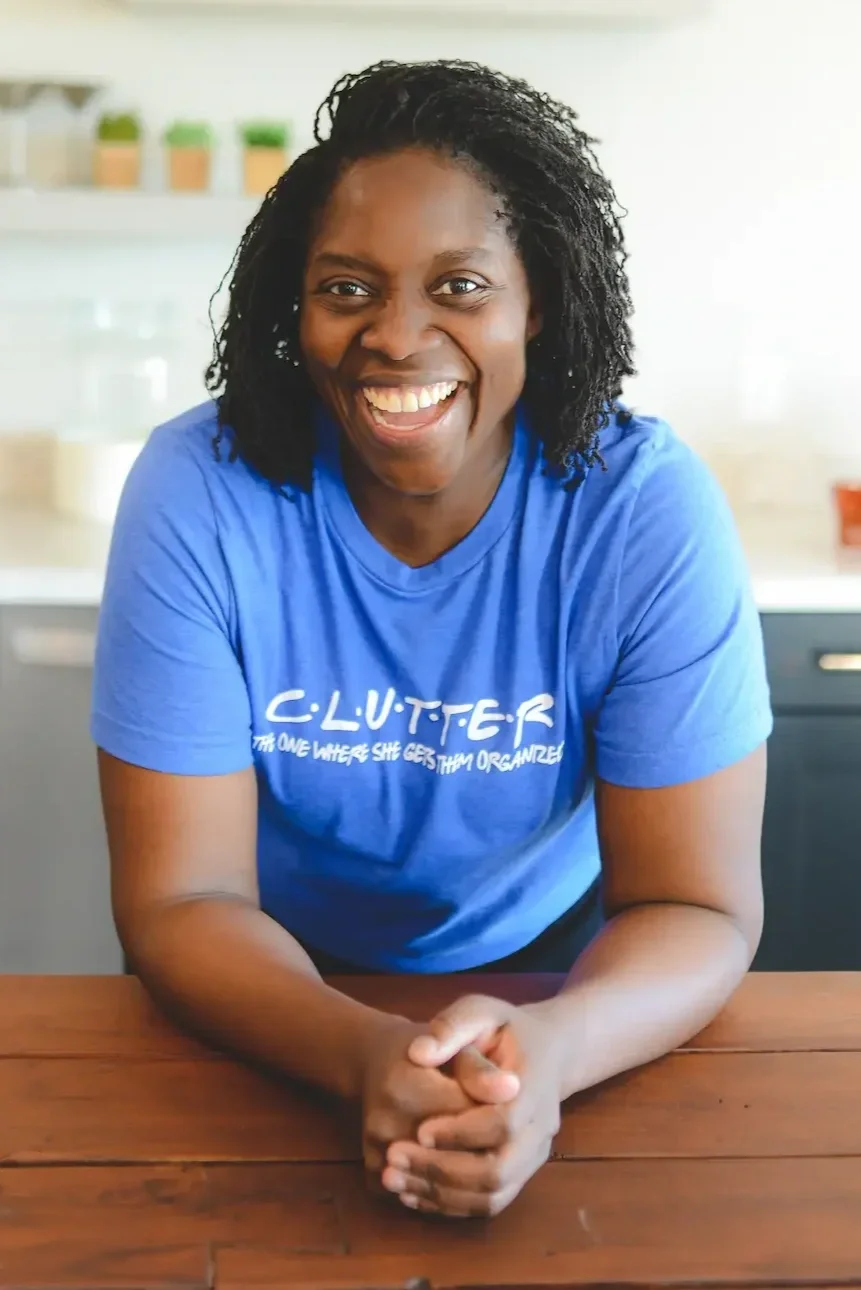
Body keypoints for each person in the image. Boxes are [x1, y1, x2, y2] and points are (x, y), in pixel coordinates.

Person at [92, 60, 771, 1220]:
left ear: (537, 302)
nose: (397, 336)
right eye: (347, 287)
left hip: (566, 978)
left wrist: (550, 1051)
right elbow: (183, 900)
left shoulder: (641, 510)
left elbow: (696, 906)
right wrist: (363, 1055)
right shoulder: (200, 491)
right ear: (290, 307)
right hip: (262, 988)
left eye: (459, 284)